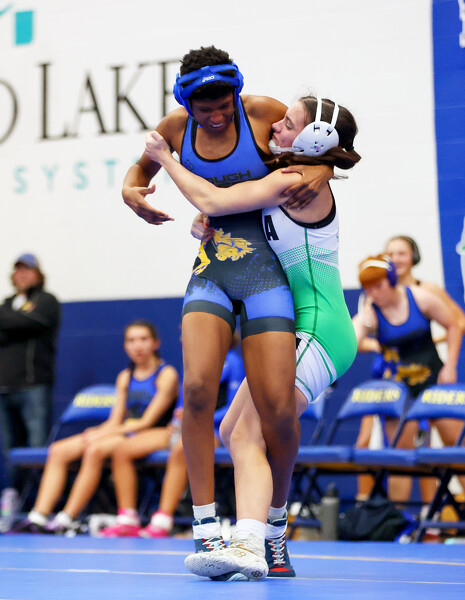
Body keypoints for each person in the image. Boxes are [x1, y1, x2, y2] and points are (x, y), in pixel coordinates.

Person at [122, 45, 333, 573]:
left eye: (224, 105)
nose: (217, 116)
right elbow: (138, 171)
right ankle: (206, 530)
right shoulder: (175, 127)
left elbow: (313, 148)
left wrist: (325, 169)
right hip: (212, 270)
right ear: (185, 103)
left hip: (268, 276)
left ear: (236, 93)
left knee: (277, 412)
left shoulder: (262, 113)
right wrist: (130, 192)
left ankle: (276, 528)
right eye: (205, 109)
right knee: (197, 390)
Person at [11, 320, 179, 534]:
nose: (137, 346)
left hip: (151, 433)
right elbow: (116, 419)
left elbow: (147, 421)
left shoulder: (166, 374)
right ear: (125, 345)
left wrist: (103, 435)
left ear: (155, 343)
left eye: (143, 339)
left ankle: (67, 517)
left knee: (95, 449)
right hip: (124, 432)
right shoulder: (125, 377)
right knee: (59, 449)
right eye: (131, 340)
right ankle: (38, 516)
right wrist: (99, 431)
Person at [98, 336, 244, 538]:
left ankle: (163, 519)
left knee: (183, 448)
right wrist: (176, 422)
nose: (185, 336)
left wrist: (202, 417)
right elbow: (182, 405)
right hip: (186, 428)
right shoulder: (191, 363)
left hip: (216, 430)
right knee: (123, 450)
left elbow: (234, 408)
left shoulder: (234, 362)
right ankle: (128, 518)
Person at [352, 254, 463, 502]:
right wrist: (370, 335)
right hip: (399, 391)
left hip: (433, 382)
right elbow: (352, 342)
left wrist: (451, 365)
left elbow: (454, 324)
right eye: (368, 288)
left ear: (391, 280)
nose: (374, 292)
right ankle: (398, 515)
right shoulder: (370, 312)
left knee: (456, 446)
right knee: (400, 456)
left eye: (378, 285)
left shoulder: (419, 297)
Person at [0, 253, 61, 494]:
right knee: (10, 448)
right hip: (5, 387)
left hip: (34, 385)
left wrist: (15, 322)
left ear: (38, 274)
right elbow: (22, 323)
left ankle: (41, 500)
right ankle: (14, 495)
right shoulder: (7, 303)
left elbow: (34, 321)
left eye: (28, 270)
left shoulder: (46, 300)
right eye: (18, 270)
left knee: (37, 446)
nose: (22, 274)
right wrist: (19, 321)